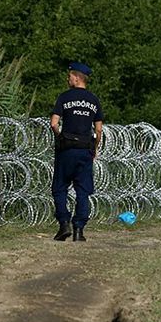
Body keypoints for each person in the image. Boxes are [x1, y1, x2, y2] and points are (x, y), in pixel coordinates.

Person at [50, 62, 103, 241]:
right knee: (83, 190)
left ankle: (64, 223)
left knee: (59, 187)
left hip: (66, 149)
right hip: (85, 149)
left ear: (77, 77)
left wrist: (60, 136)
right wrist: (94, 149)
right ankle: (79, 229)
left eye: (70, 76)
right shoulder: (94, 100)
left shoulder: (64, 97)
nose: (68, 79)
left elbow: (54, 123)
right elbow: (99, 130)